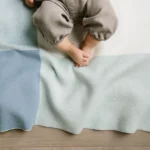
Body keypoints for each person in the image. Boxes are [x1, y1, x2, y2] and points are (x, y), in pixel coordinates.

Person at [25, 0, 118, 67]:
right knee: (45, 17)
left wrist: (89, 46)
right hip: (56, 3)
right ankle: (70, 48)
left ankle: (88, 45)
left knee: (107, 18)